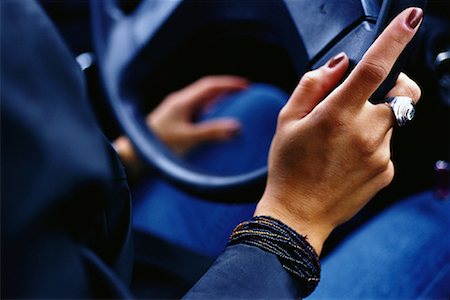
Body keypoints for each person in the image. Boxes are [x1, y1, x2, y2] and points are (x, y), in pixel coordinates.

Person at [4, 0, 445, 299]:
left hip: (101, 263)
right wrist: (293, 220)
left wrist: (127, 155)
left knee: (253, 114)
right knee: (439, 218)